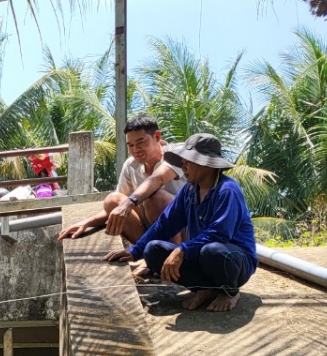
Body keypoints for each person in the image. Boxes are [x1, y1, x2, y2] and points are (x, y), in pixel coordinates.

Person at [104, 133, 258, 312]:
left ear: (206, 164)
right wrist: (135, 251)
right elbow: (165, 224)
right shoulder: (189, 191)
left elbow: (220, 233)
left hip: (232, 259)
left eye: (188, 162)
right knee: (153, 250)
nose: (183, 167)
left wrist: (182, 249)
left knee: (213, 251)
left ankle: (230, 291)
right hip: (201, 256)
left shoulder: (227, 190)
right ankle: (205, 288)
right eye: (182, 162)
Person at [57, 114, 186, 243]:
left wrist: (129, 203)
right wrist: (86, 223)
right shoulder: (130, 165)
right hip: (152, 228)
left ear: (157, 136)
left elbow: (158, 179)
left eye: (141, 142)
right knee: (113, 200)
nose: (136, 149)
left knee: (155, 198)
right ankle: (146, 251)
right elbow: (117, 209)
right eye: (130, 145)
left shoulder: (176, 153)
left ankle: (174, 253)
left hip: (185, 226)